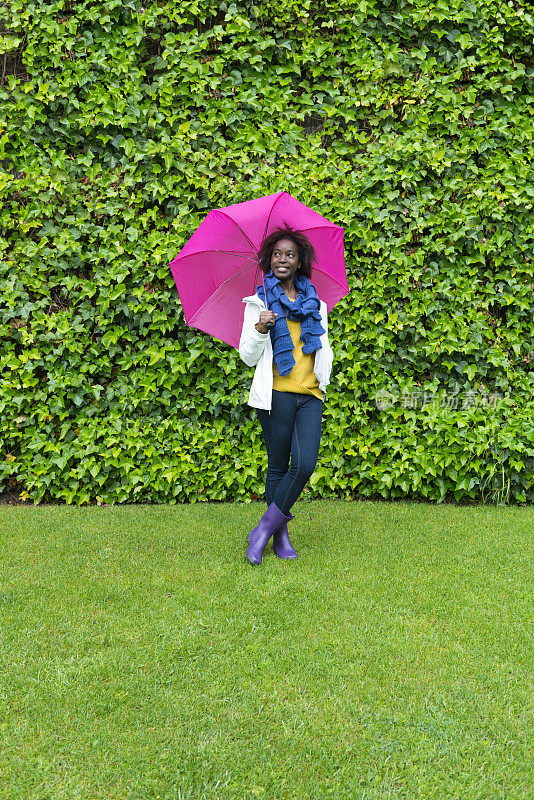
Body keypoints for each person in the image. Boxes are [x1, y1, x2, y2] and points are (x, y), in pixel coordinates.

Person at [238, 225, 334, 565]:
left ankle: (262, 530)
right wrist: (261, 329)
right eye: (277, 254)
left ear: (299, 261)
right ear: (269, 259)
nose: (282, 259)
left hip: (309, 393)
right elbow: (247, 355)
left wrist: (323, 379)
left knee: (304, 463)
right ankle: (281, 537)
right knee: (278, 466)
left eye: (289, 254)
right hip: (275, 394)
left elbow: (325, 349)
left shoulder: (315, 304)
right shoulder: (259, 301)